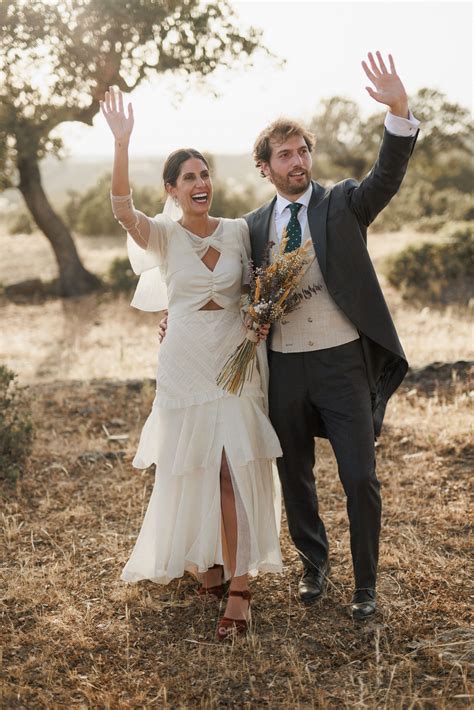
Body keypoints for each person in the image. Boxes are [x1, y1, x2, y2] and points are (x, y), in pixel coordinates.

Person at [159, 51, 419, 620]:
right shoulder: (250, 228)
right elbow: (224, 289)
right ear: (265, 167)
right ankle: (314, 568)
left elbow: (388, 176)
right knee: (294, 476)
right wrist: (175, 317)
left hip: (344, 362)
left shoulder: (345, 202)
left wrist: (398, 112)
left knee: (360, 477)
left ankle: (366, 585)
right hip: (282, 368)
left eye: (303, 151)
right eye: (285, 155)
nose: (297, 161)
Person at [101, 87, 283, 641]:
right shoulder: (162, 236)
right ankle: (209, 560)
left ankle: (240, 585)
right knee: (198, 466)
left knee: (234, 465)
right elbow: (121, 209)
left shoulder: (236, 232)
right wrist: (122, 142)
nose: (201, 183)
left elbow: (257, 288)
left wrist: (262, 316)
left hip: (234, 359)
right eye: (189, 178)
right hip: (183, 360)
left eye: (205, 174)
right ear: (173, 191)